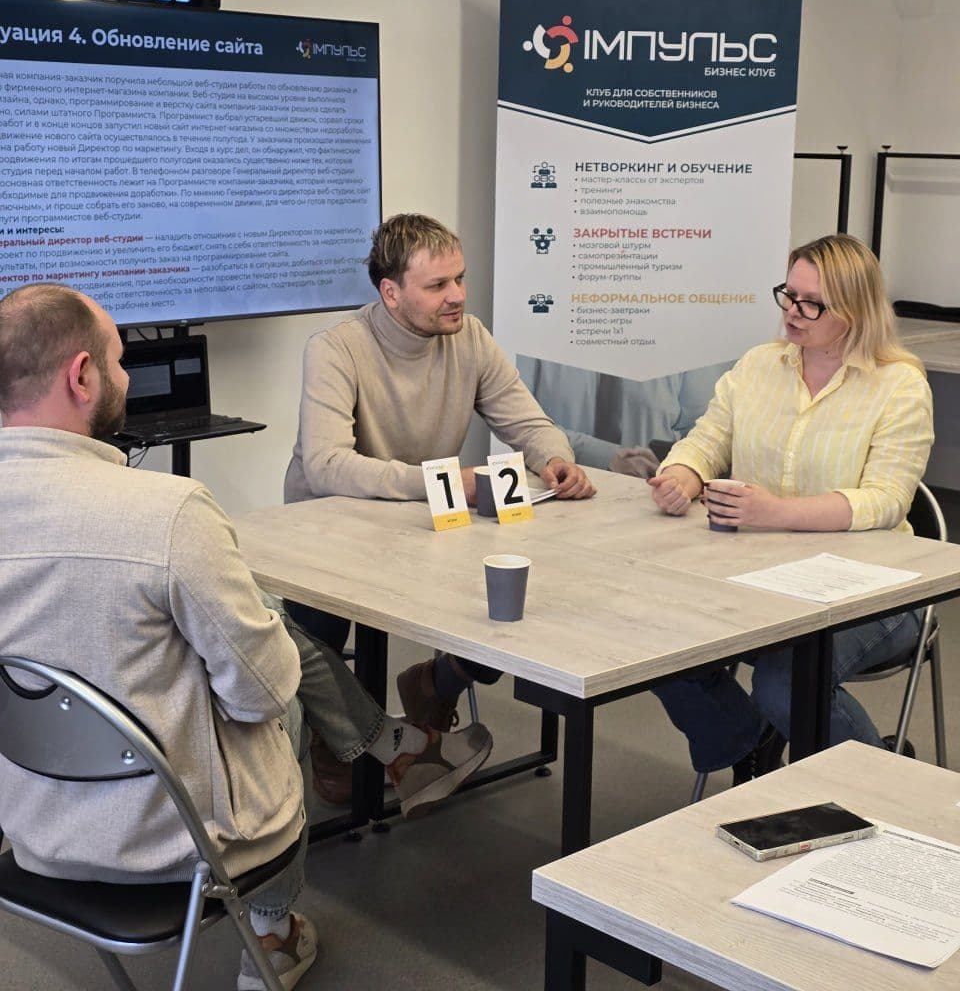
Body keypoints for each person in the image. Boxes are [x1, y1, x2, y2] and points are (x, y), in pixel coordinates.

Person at [0, 284, 490, 991]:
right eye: (117, 359)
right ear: (80, 376)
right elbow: (265, 691)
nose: (128, 376)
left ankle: (397, 749)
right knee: (270, 676)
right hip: (179, 844)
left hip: (38, 832)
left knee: (247, 624)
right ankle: (274, 929)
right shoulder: (167, 512)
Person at [284, 213, 595, 790]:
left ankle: (436, 684)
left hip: (429, 518)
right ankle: (344, 744)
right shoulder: (336, 348)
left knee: (515, 604)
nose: (457, 296)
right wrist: (445, 480)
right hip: (328, 524)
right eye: (438, 286)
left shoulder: (469, 336)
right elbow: (326, 466)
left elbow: (529, 422)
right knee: (312, 639)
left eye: (460, 279)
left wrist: (553, 458)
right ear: (391, 293)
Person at [646, 234, 934, 783]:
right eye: (788, 295)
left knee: (787, 682)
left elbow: (886, 500)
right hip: (759, 574)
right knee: (654, 631)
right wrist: (683, 472)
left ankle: (884, 793)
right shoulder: (759, 366)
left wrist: (774, 511)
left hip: (880, 588)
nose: (791, 315)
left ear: (854, 311)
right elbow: (709, 437)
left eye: (811, 304)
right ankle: (747, 737)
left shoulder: (899, 386)